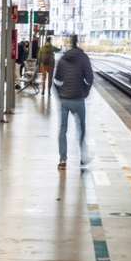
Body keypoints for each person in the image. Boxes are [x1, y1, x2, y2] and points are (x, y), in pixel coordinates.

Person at [53, 35, 94, 170]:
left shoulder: (63, 59)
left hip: (65, 99)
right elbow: (90, 78)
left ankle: (62, 159)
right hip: (78, 98)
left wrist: (60, 94)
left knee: (63, 129)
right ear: (79, 43)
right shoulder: (83, 57)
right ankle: (82, 157)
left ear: (69, 44)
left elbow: (56, 80)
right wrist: (85, 92)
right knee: (81, 127)